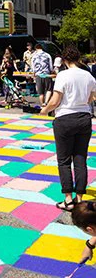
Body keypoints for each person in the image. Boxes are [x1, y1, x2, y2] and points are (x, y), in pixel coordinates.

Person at [40, 46, 96, 211]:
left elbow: (56, 100)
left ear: (64, 60)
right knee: (80, 159)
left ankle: (68, 199)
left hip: (65, 119)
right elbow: (92, 97)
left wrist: (44, 110)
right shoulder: (88, 75)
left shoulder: (63, 75)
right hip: (84, 118)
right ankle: (79, 199)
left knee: (64, 161)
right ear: (78, 59)